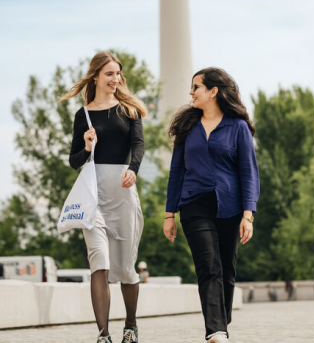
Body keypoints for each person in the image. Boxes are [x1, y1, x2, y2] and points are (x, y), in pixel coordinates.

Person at [163, 67, 260, 342]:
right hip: (194, 204)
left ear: (213, 91)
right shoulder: (187, 128)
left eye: (196, 87)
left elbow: (248, 172)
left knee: (227, 272)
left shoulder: (237, 127)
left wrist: (248, 214)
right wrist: (169, 214)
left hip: (230, 205)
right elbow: (176, 172)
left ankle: (220, 320)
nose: (191, 92)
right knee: (209, 266)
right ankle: (215, 330)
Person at [59, 51, 148, 343]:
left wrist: (133, 170)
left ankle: (131, 326)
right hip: (93, 197)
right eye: (109, 73)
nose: (116, 79)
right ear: (96, 75)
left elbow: (138, 145)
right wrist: (85, 147)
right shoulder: (82, 115)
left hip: (123, 192)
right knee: (98, 261)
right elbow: (74, 161)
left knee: (125, 267)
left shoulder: (129, 110)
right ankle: (103, 334)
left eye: (118, 73)